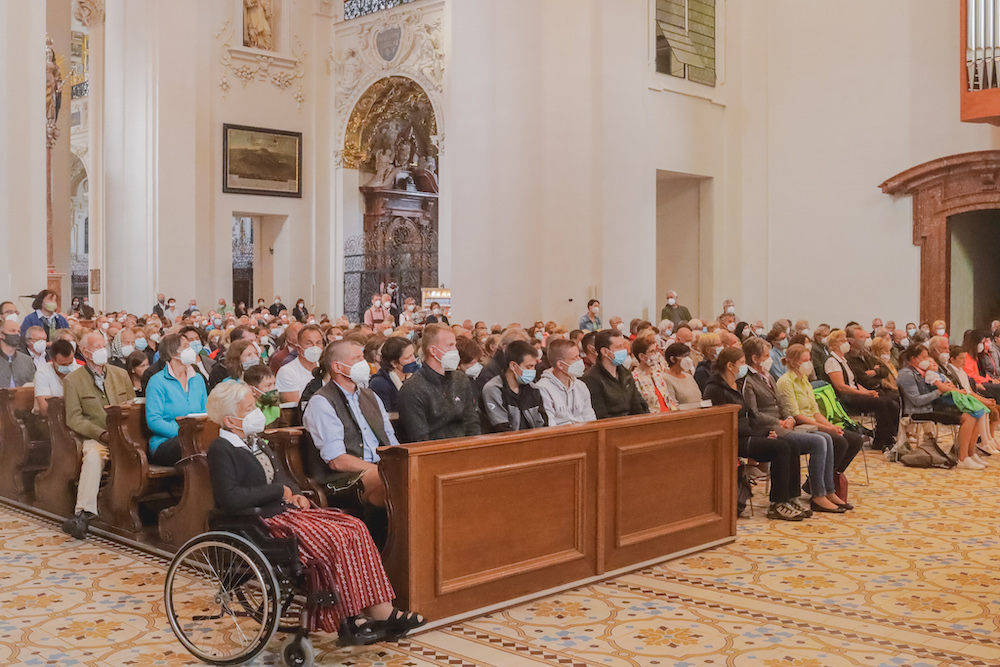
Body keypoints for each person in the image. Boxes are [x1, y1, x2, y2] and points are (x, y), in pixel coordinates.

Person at [205, 380, 424, 643]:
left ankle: (382, 609)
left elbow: (282, 477)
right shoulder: (222, 448)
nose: (256, 413)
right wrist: (278, 492)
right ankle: (349, 617)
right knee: (333, 538)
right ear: (230, 420)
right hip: (260, 521)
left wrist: (295, 493)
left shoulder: (255, 441)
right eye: (249, 408)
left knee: (354, 527)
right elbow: (230, 498)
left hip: (285, 511)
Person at [702, 347, 812, 520]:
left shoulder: (739, 384)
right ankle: (778, 502)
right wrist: (760, 434)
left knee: (791, 444)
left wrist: (766, 431)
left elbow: (750, 416)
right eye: (742, 363)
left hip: (748, 432)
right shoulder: (715, 388)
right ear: (730, 366)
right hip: (734, 438)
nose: (744, 366)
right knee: (781, 448)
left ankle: (791, 496)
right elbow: (721, 422)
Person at [741, 338, 846, 513]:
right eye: (766, 355)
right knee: (819, 441)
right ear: (754, 358)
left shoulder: (767, 377)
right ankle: (818, 495)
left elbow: (780, 406)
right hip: (768, 427)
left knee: (827, 438)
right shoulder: (750, 380)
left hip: (782, 424)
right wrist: (779, 422)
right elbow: (754, 413)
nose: (770, 359)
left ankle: (827, 490)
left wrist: (788, 417)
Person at [61, 332, 136, 538]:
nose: (103, 350)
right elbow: (74, 418)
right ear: (85, 352)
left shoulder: (120, 374)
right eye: (97, 347)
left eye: (104, 345)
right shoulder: (73, 381)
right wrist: (101, 434)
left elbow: (133, 405)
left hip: (126, 436)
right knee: (94, 456)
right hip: (97, 437)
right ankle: (83, 515)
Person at [776, 344, 862, 478]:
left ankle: (831, 477)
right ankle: (817, 482)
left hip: (813, 422)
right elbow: (796, 415)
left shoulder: (804, 380)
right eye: (804, 360)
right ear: (793, 362)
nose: (809, 363)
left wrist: (831, 426)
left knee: (855, 439)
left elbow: (815, 412)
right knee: (840, 442)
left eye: (809, 359)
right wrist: (826, 429)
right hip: (800, 426)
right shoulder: (785, 382)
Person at [897, 344, 982, 469]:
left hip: (932, 406)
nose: (927, 360)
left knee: (975, 412)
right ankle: (962, 458)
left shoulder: (926, 371)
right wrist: (939, 391)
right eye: (924, 357)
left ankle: (969, 452)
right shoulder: (907, 374)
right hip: (919, 410)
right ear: (914, 359)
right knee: (967, 417)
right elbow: (916, 400)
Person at [397, 324, 481, 442]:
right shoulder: (412, 389)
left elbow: (472, 422)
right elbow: (419, 438)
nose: (455, 351)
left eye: (455, 346)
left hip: (464, 449)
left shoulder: (461, 379)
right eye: (450, 346)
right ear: (433, 350)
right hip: (433, 453)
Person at [824, 329, 899, 451]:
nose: (846, 343)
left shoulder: (844, 360)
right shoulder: (832, 361)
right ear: (833, 345)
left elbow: (855, 382)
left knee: (892, 403)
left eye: (845, 340)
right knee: (883, 404)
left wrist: (866, 392)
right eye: (842, 341)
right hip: (846, 397)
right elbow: (841, 386)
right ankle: (882, 440)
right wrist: (863, 393)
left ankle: (887, 436)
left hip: (856, 392)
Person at [145, 333, 208, 467]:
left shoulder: (197, 379)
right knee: (192, 447)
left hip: (197, 438)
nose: (190, 349)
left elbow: (204, 411)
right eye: (185, 346)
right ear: (173, 354)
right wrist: (183, 432)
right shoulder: (157, 381)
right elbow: (154, 421)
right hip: (165, 442)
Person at [581, 329, 649, 419]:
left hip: (631, 425)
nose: (624, 350)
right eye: (619, 347)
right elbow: (601, 415)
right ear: (605, 352)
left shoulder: (625, 373)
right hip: (612, 427)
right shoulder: (591, 379)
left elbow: (637, 405)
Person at [481, 340, 547, 432]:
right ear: (513, 366)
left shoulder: (533, 388)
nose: (533, 371)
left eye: (534, 366)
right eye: (528, 367)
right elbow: (501, 426)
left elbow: (543, 422)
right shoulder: (494, 389)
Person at [535, 338, 596, 425]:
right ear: (560, 365)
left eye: (579, 356)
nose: (580, 360)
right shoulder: (543, 388)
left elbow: (589, 416)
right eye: (575, 358)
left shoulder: (581, 385)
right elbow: (550, 424)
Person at [276, 324, 324, 404]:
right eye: (309, 343)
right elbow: (295, 407)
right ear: (298, 348)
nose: (315, 347)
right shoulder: (287, 372)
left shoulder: (325, 369)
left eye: (318, 343)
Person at [369, 336, 417, 413]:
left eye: (413, 354)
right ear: (394, 363)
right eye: (408, 357)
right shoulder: (379, 384)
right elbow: (386, 417)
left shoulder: (414, 376)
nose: (414, 360)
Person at [32, 339, 77, 417]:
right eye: (63, 364)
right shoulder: (42, 373)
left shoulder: (78, 370)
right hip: (48, 419)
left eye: (70, 363)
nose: (67, 367)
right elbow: (45, 409)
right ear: (53, 360)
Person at [630, 337, 676, 413]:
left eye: (656, 351)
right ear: (642, 356)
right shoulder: (634, 378)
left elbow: (668, 399)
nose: (656, 354)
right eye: (652, 351)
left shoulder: (657, 374)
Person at [0, 318, 34, 387]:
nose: (17, 334)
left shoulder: (27, 360)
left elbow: (32, 386)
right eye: (12, 331)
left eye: (18, 331)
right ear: (1, 334)